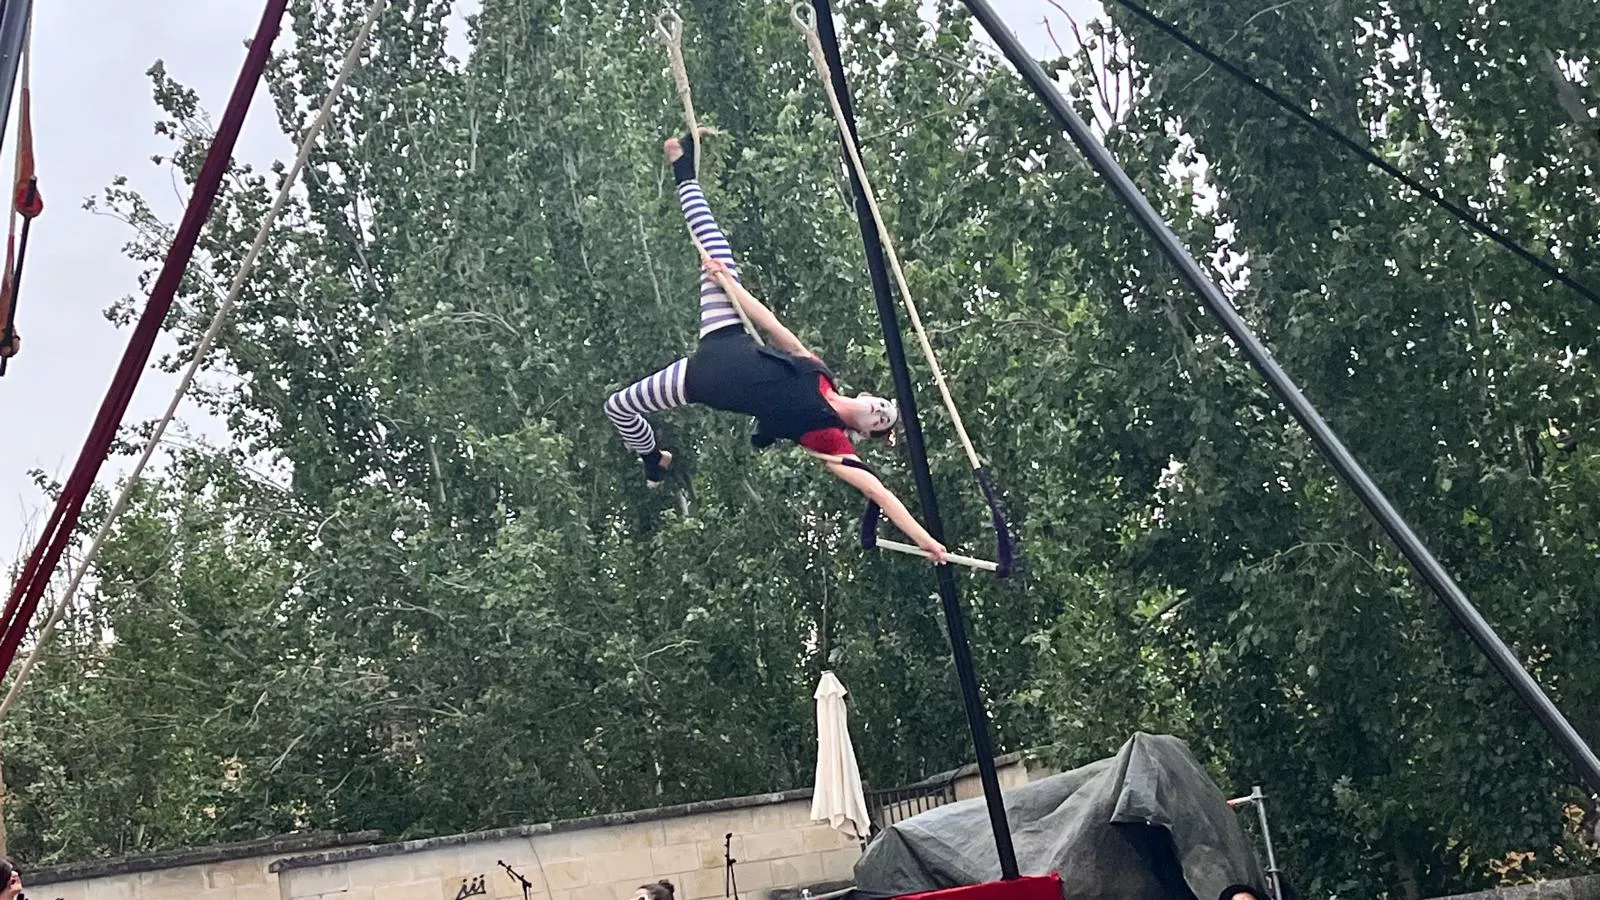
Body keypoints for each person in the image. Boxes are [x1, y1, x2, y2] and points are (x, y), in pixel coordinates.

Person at [604, 130, 947, 564]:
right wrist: (726, 282)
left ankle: (652, 458)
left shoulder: (828, 439)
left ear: (863, 432)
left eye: (881, 420)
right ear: (865, 395)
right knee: (718, 253)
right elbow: (772, 326)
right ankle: (682, 168)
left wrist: (925, 541)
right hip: (725, 336)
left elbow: (878, 491)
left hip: (700, 381)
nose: (879, 410)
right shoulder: (819, 373)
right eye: (883, 405)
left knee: (618, 406)